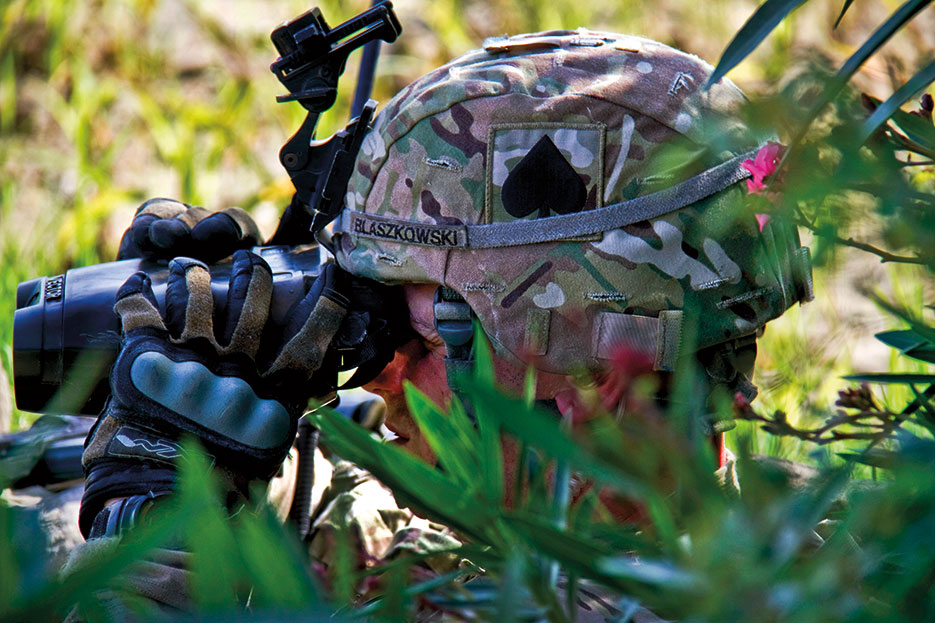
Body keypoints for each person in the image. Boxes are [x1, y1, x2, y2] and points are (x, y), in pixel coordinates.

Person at [63, 28, 812, 620]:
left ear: (604, 370)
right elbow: (372, 532)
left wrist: (148, 524)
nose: (378, 375)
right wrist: (247, 432)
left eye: (423, 338)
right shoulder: (803, 538)